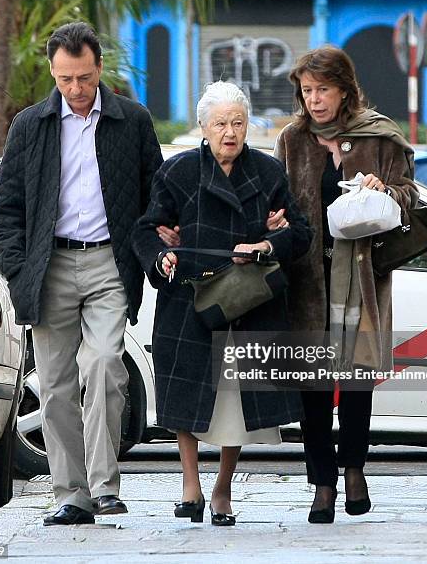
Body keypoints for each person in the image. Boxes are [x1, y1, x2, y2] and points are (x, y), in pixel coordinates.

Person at [0, 22, 163, 526]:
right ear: (52, 71)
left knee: (106, 365)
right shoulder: (30, 125)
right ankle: (72, 493)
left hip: (110, 261)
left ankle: (106, 486)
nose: (75, 89)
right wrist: (19, 270)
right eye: (65, 78)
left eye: (83, 77)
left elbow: (156, 192)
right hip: (48, 267)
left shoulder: (132, 120)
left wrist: (150, 248)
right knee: (56, 385)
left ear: (99, 69)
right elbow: (8, 208)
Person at [132, 81, 312, 525]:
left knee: (236, 403)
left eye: (238, 122)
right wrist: (162, 255)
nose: (229, 132)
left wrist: (268, 244)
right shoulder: (177, 173)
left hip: (247, 301)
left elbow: (300, 232)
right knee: (186, 396)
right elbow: (145, 229)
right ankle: (190, 484)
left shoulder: (268, 173)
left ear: (248, 126)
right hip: (190, 301)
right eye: (220, 124)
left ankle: (223, 488)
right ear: (203, 128)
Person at [274, 45, 419, 523]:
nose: (314, 100)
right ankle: (322, 483)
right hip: (308, 282)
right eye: (307, 91)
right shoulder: (293, 140)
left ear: (345, 89)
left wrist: (386, 189)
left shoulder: (379, 135)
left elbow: (409, 195)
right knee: (313, 390)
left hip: (362, 277)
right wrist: (276, 221)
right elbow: (280, 202)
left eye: (323, 90)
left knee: (357, 383)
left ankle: (354, 470)